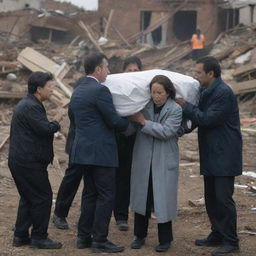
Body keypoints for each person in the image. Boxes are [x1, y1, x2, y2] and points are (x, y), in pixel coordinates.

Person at [175, 56, 242, 256]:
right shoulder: (206, 91)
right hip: (212, 153)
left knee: (223, 198)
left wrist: (186, 106)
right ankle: (217, 234)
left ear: (211, 74)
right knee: (212, 198)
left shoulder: (223, 93)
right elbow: (196, 119)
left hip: (224, 154)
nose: (195, 76)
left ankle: (231, 241)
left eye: (198, 72)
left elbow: (207, 118)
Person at [70, 53, 129, 253]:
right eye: (106, 67)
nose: (109, 71)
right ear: (98, 70)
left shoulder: (77, 90)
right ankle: (100, 240)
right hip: (101, 152)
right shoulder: (100, 90)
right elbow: (114, 120)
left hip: (83, 151)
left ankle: (83, 237)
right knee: (106, 196)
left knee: (89, 194)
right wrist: (131, 123)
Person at [8, 72, 63, 249]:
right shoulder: (30, 106)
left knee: (29, 197)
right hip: (28, 162)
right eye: (50, 87)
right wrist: (57, 120)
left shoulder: (30, 104)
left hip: (23, 160)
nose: (53, 91)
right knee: (43, 197)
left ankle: (21, 236)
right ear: (39, 89)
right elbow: (45, 129)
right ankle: (39, 237)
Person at [128, 75, 182, 252]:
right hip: (144, 159)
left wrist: (143, 121)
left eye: (159, 92)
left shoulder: (175, 109)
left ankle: (165, 240)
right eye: (153, 92)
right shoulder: (144, 106)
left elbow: (167, 131)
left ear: (168, 92)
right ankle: (139, 236)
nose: (156, 96)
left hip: (164, 160)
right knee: (143, 197)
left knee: (163, 200)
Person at [114, 56, 142, 231]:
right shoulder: (114, 87)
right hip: (114, 136)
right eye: (129, 70)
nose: (132, 73)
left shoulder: (145, 88)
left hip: (134, 138)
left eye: (135, 70)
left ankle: (121, 216)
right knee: (105, 177)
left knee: (124, 176)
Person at [53, 78, 84, 230]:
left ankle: (85, 218)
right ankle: (59, 213)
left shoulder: (102, 86)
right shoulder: (82, 86)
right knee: (72, 179)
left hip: (93, 145)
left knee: (92, 183)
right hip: (78, 144)